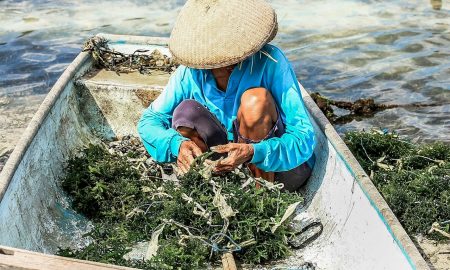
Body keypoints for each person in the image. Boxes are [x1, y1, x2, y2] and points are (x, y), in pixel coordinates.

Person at [138, 0, 316, 191]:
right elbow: (149, 121)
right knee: (186, 111)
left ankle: (263, 197)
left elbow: (304, 135)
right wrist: (176, 144)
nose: (233, 61)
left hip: (281, 170)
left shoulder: (270, 62)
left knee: (255, 101)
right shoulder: (191, 73)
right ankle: (205, 185)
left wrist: (254, 151)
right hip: (225, 171)